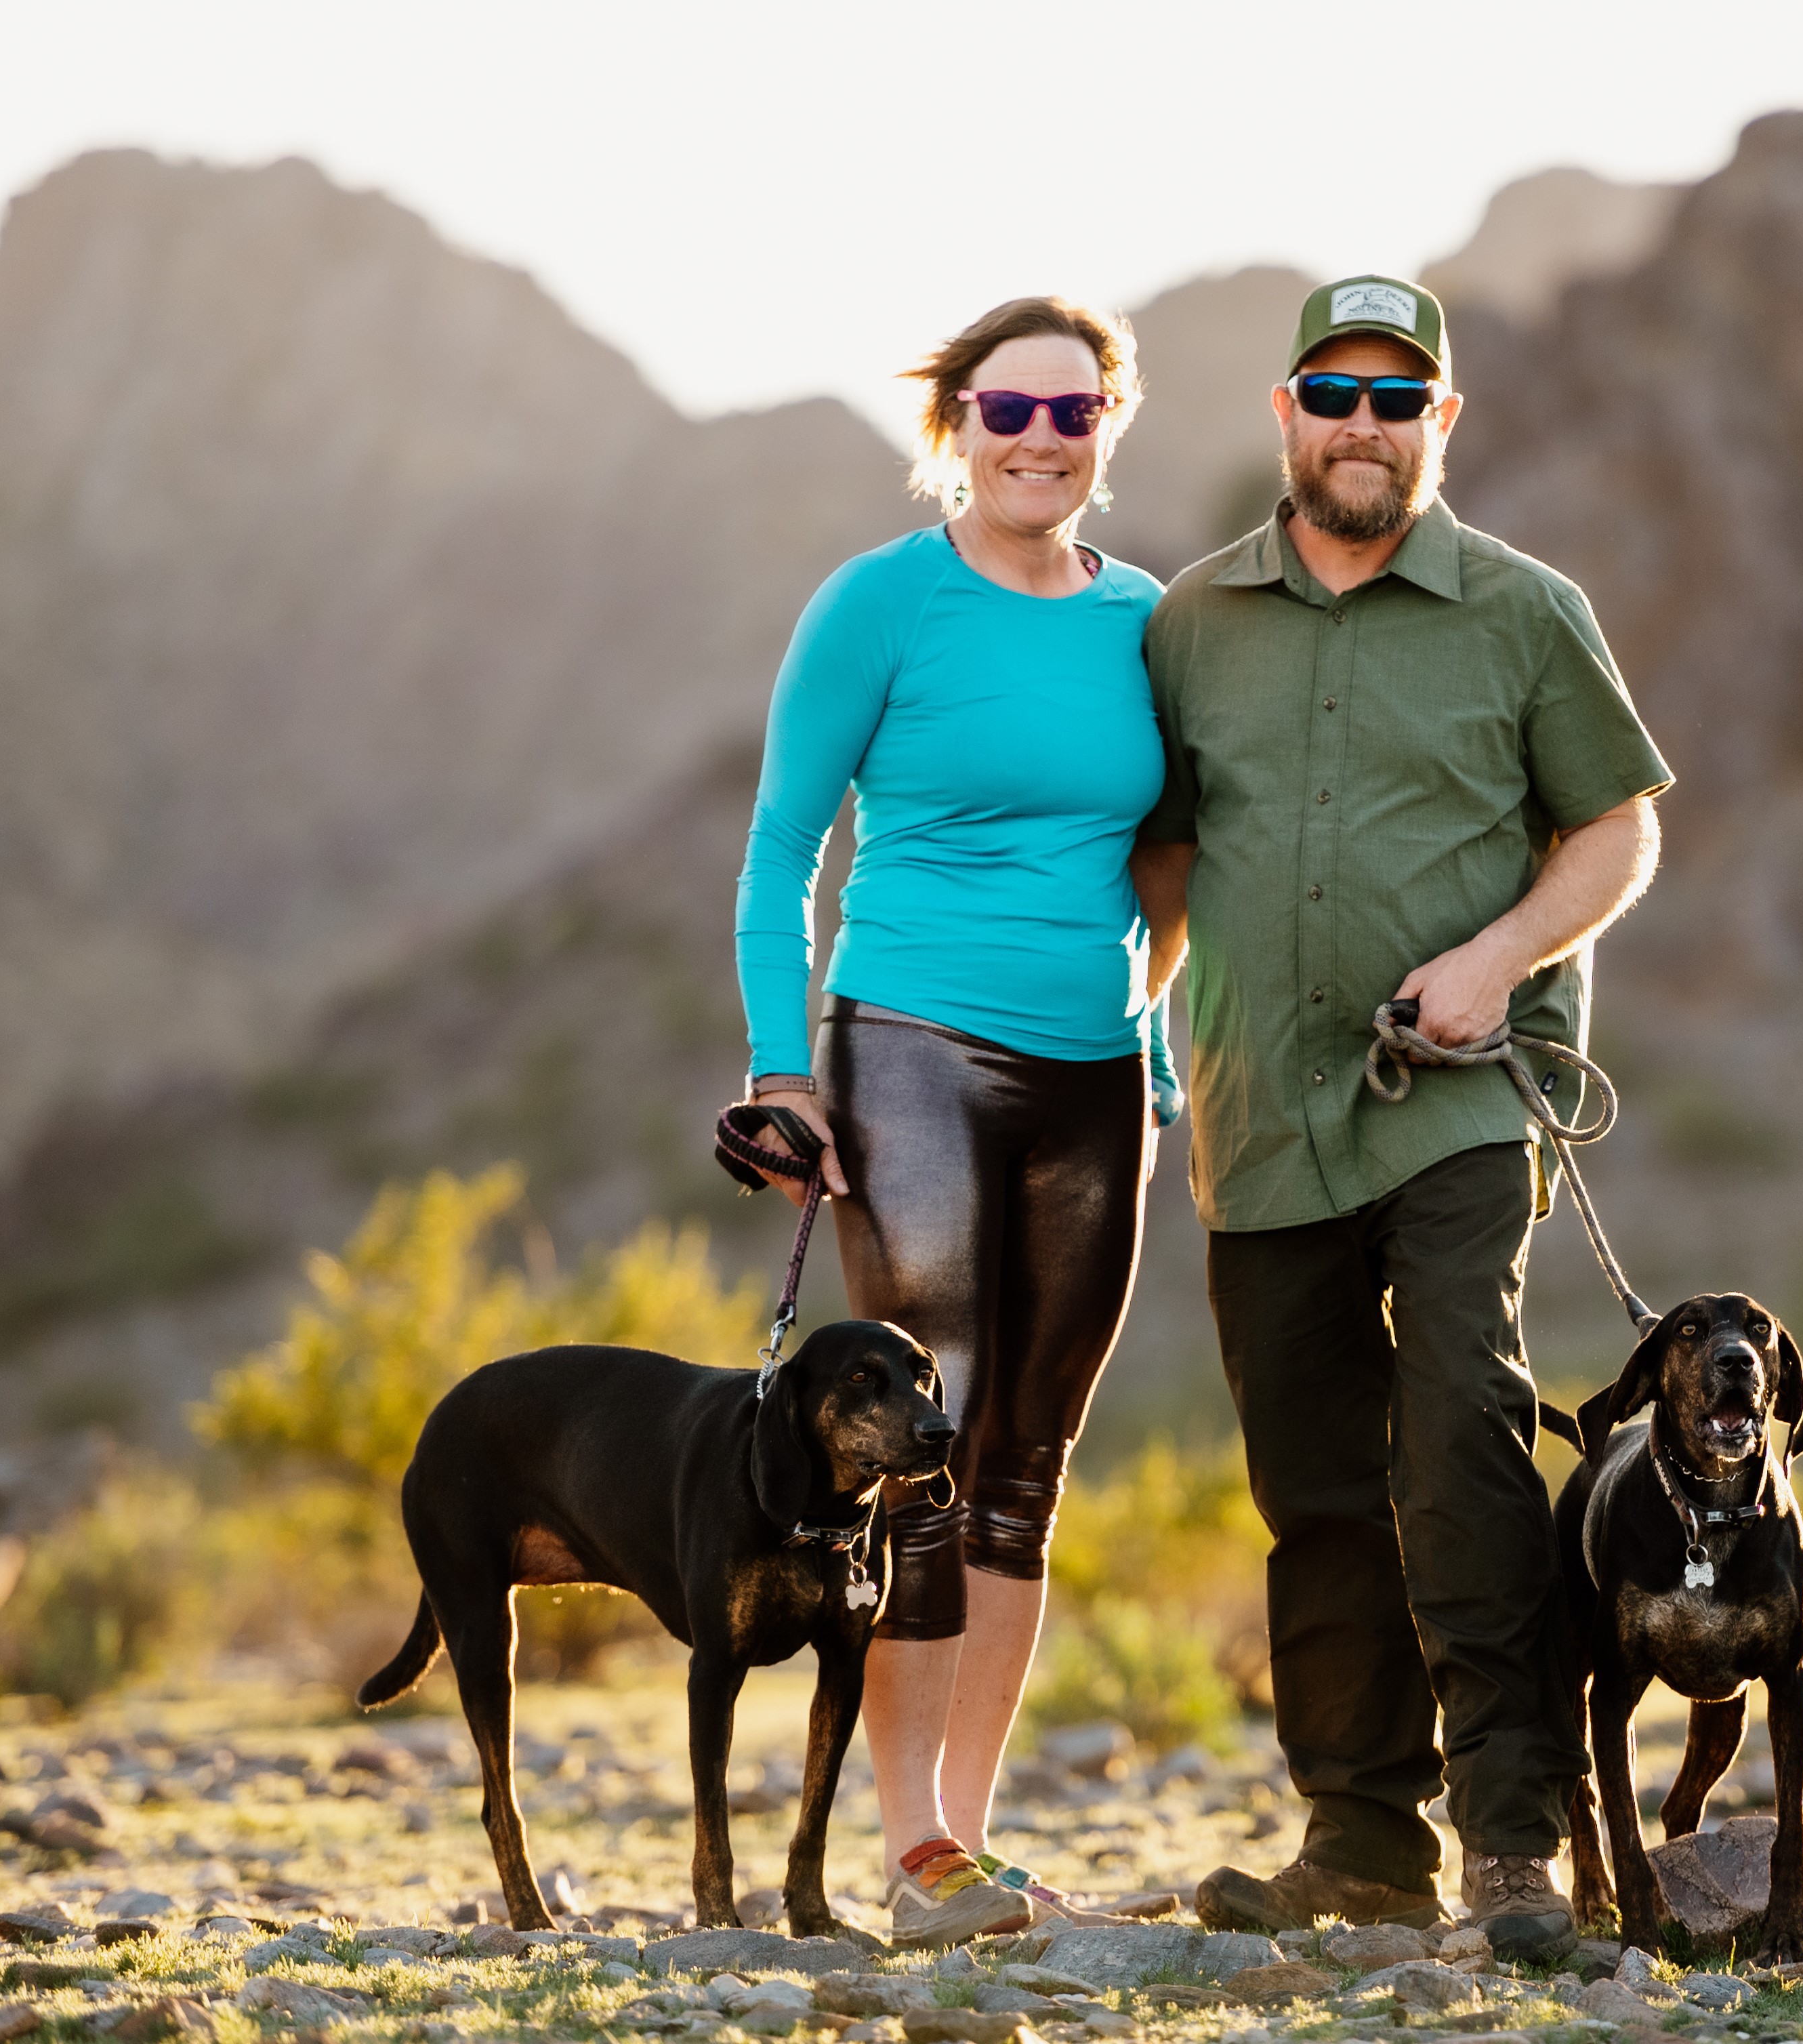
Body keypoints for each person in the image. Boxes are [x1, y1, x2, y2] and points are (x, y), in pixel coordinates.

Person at [1130, 276, 1672, 1960]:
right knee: (1311, 1486)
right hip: (1256, 1116)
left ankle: (1513, 1836)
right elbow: (1158, 855)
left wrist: (1496, 959)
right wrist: (1110, 1019)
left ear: (1442, 423)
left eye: (1396, 396)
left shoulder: (1523, 610)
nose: (1361, 421)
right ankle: (1361, 1838)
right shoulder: (1190, 623)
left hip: (1450, 1108)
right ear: (1283, 414)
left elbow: (1614, 836)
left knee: (1456, 1443)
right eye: (1330, 389)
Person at [730, 295, 1180, 1948]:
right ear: (957, 422)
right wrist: (787, 1071)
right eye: (1010, 412)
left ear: (1110, 427)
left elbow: (1170, 856)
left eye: (1073, 416)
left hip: (1093, 1081)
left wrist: (1161, 1032)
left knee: (1028, 1467)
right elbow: (780, 846)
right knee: (933, 1436)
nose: (1039, 443)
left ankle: (967, 1842)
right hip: (908, 1042)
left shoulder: (1144, 616)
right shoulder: (878, 603)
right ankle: (910, 1843)